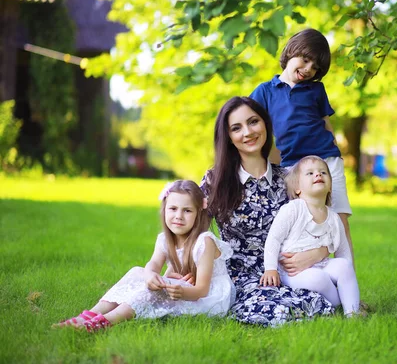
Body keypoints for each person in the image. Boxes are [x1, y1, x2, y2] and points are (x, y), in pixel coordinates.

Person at [201, 96, 335, 326]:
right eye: (236, 128)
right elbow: (192, 232)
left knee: (317, 303)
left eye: (253, 122)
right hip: (240, 278)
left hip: (288, 272)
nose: (248, 132)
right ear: (229, 138)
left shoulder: (289, 178)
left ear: (265, 125)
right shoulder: (216, 179)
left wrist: (320, 252)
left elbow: (322, 224)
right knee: (279, 311)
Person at [52, 180, 235, 332]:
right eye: (173, 209)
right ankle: (89, 314)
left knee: (152, 290)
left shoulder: (205, 242)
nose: (178, 216)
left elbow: (202, 290)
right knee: (137, 272)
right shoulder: (164, 239)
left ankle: (102, 322)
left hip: (209, 297)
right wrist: (150, 275)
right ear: (165, 210)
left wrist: (182, 291)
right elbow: (153, 264)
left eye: (187, 211)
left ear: (198, 214)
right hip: (186, 287)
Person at [249, 28, 354, 259]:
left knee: (338, 219)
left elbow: (325, 122)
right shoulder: (265, 91)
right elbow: (252, 124)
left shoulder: (316, 89)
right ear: (290, 52)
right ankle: (307, 283)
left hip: (326, 159)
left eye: (315, 67)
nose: (308, 69)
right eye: (305, 60)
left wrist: (336, 151)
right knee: (299, 223)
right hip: (293, 166)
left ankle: (348, 286)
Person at [259, 156, 360, 316]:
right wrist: (271, 269)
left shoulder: (333, 217)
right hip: (292, 272)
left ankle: (353, 312)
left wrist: (346, 276)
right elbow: (274, 239)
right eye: (310, 173)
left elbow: (343, 251)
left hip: (321, 263)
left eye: (323, 172)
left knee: (344, 266)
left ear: (330, 187)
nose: (318, 175)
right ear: (298, 188)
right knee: (317, 278)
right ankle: (339, 303)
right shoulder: (293, 209)